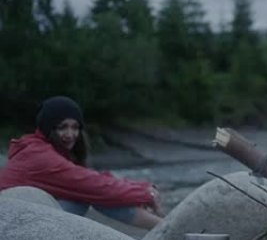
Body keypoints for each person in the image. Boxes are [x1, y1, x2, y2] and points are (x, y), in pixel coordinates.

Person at [0, 96, 164, 229]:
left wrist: (139, 188)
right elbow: (93, 185)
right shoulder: (39, 156)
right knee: (89, 195)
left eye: (75, 127)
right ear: (48, 128)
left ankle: (162, 228)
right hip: (10, 228)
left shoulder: (38, 149)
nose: (70, 134)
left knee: (87, 194)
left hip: (16, 222)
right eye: (62, 127)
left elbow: (91, 178)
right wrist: (145, 193)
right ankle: (164, 229)